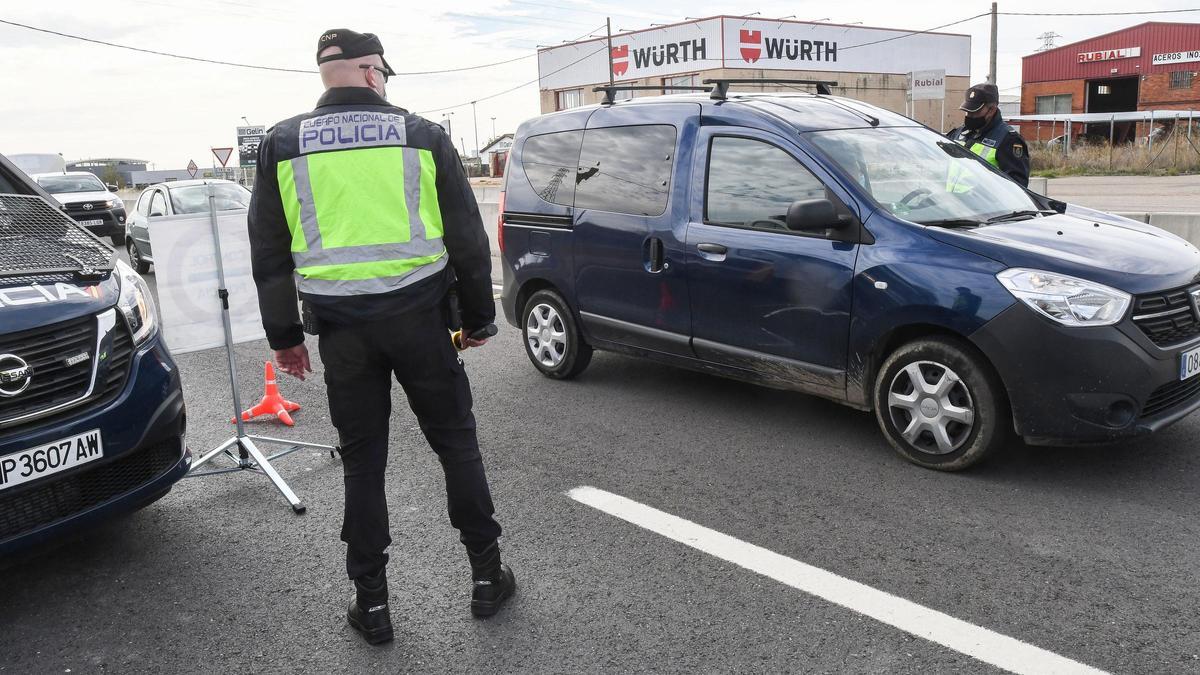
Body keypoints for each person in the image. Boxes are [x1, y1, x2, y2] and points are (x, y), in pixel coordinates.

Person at [247, 28, 515, 646]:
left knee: (363, 464)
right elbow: (468, 241)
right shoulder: (422, 134)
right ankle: (485, 577)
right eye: (384, 73)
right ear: (371, 72)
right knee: (456, 446)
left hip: (342, 334)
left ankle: (372, 605)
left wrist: (285, 337)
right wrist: (476, 318)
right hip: (423, 323)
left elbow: (269, 253)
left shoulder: (282, 144)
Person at [946, 83, 1030, 187]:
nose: (969, 116)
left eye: (974, 112)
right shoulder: (958, 133)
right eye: (967, 112)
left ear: (991, 110)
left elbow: (1017, 187)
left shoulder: (1008, 140)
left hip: (981, 202)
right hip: (952, 201)